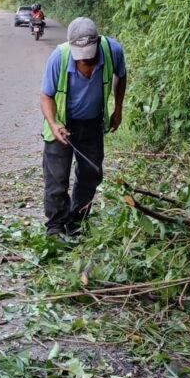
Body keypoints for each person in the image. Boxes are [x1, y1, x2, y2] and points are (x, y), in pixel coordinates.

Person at [39, 17, 127, 236]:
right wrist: (54, 123)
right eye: (81, 58)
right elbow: (45, 95)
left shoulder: (112, 50)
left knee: (91, 174)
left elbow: (121, 76)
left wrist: (118, 109)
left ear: (97, 43)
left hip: (93, 123)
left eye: (90, 56)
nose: (86, 62)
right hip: (62, 126)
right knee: (57, 179)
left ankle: (77, 221)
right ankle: (56, 227)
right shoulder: (59, 56)